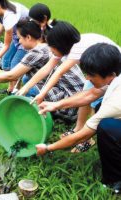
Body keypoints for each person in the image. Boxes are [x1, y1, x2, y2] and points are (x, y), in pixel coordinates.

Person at [16, 21, 121, 152]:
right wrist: (39, 94)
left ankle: (88, 134)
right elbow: (49, 68)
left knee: (98, 110)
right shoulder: (74, 49)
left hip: (106, 69)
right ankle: (80, 128)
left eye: (51, 47)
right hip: (104, 69)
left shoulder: (78, 49)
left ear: (60, 44)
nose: (50, 50)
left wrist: (48, 148)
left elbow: (59, 72)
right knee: (90, 96)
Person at [36, 43, 121, 194]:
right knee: (101, 106)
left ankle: (115, 182)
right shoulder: (115, 76)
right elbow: (89, 95)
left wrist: (48, 148)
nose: (87, 78)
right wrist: (55, 105)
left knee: (107, 127)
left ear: (110, 74)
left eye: (91, 75)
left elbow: (81, 136)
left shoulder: (116, 101)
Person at [0, 20, 84, 119]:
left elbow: (12, 75)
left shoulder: (38, 52)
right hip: (75, 97)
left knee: (29, 86)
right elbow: (20, 74)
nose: (19, 42)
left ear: (28, 37)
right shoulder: (47, 47)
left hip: (73, 104)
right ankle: (42, 105)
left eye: (20, 38)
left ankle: (42, 111)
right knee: (26, 79)